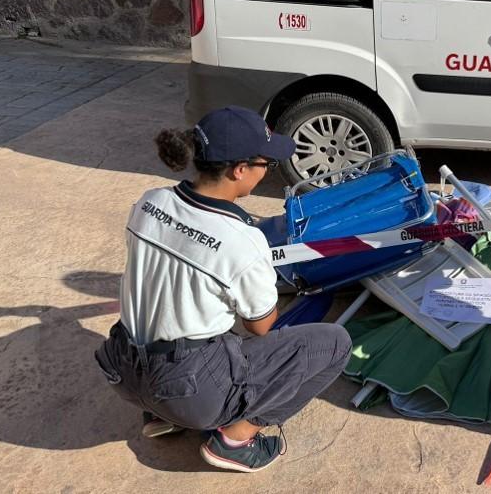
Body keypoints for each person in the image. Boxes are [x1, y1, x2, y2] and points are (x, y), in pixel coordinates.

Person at [94, 106, 352, 473]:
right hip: (187, 390)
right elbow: (260, 327)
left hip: (123, 369)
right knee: (334, 343)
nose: (266, 173)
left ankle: (159, 414)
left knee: (203, 330)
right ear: (240, 169)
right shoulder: (242, 241)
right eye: (267, 165)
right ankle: (235, 440)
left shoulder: (151, 202)